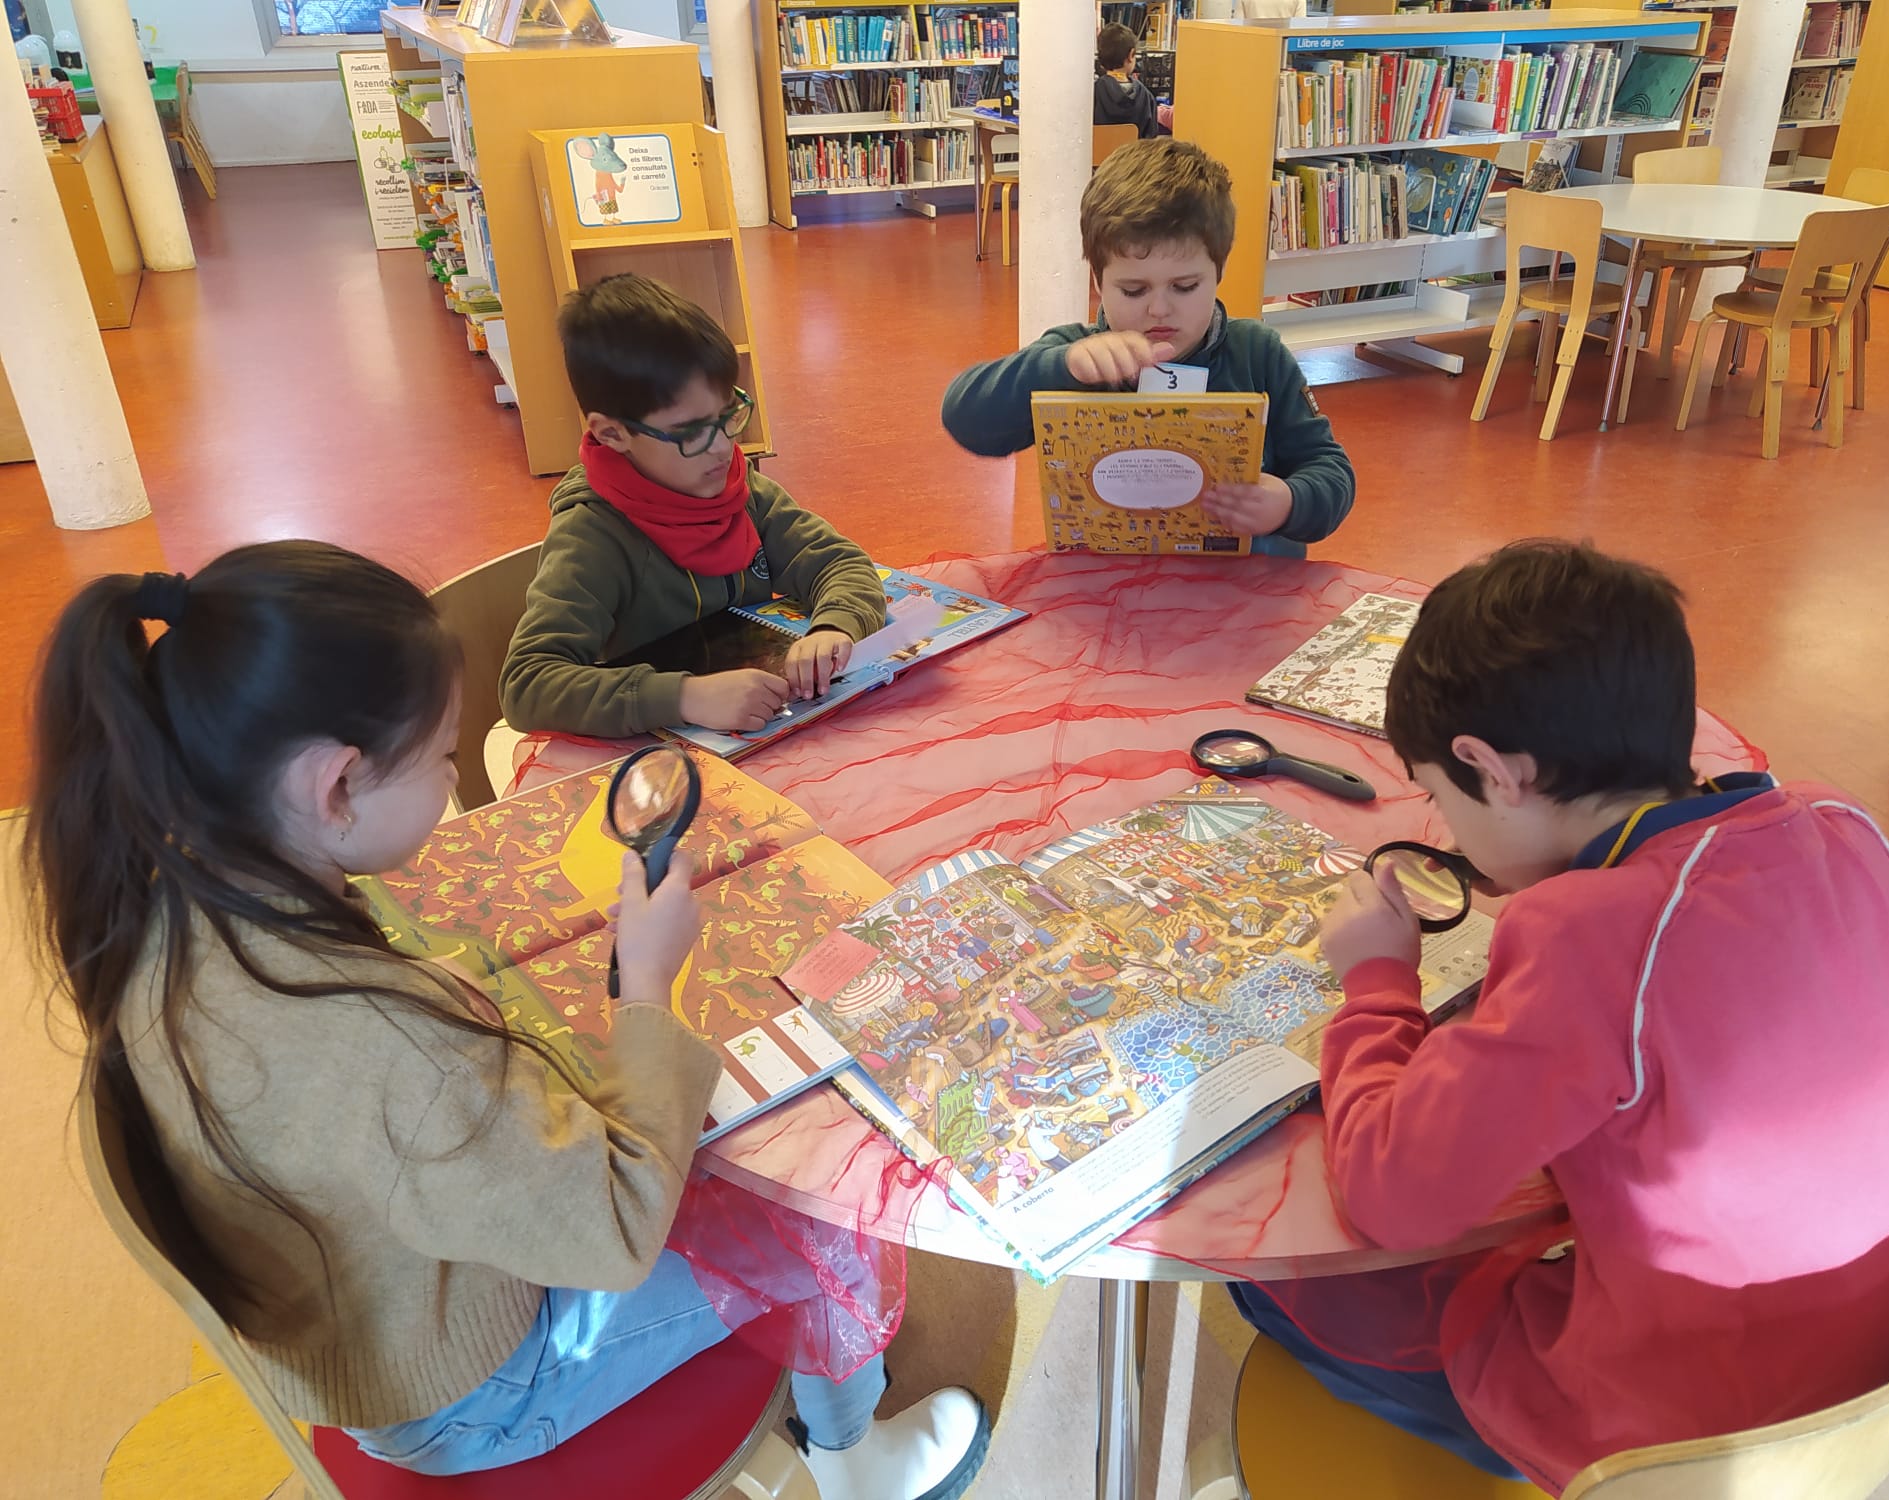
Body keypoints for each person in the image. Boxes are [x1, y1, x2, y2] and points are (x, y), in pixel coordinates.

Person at [28, 543, 986, 1498]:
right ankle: (858, 1464)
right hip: (473, 1392)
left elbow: (379, 1099)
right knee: (812, 1210)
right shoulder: (388, 1048)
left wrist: (440, 1008)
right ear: (336, 785)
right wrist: (646, 988)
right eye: (443, 756)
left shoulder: (163, 899)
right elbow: (615, 1227)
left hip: (365, 1322)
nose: (450, 775)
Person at [1237, 540, 1889, 1491]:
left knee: (1273, 1282)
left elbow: (1389, 1196)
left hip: (1677, 1445)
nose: (1445, 830)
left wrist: (1377, 982)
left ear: (1492, 768)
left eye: (1440, 797)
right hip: (1868, 1374)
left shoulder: (1587, 932)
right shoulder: (1840, 823)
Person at [501, 274, 887, 740]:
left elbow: (839, 563)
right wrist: (684, 697)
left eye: (726, 416)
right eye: (689, 432)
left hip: (766, 735)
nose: (723, 446)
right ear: (612, 433)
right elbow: (528, 684)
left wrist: (834, 628)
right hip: (662, 757)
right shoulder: (592, 535)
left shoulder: (739, 489)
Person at [941, 139, 1355, 558]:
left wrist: (1289, 502)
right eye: (1133, 290)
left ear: (1219, 271)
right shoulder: (1077, 356)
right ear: (1098, 280)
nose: (1159, 309)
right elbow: (965, 418)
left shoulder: (1257, 353)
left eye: (1185, 286)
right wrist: (1061, 367)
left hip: (1246, 587)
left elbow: (1331, 471)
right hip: (1110, 587)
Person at [1092, 23, 1165, 139]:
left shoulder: (1092, 94)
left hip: (1099, 151)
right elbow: (1151, 141)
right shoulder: (1146, 97)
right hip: (1135, 151)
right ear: (1131, 55)